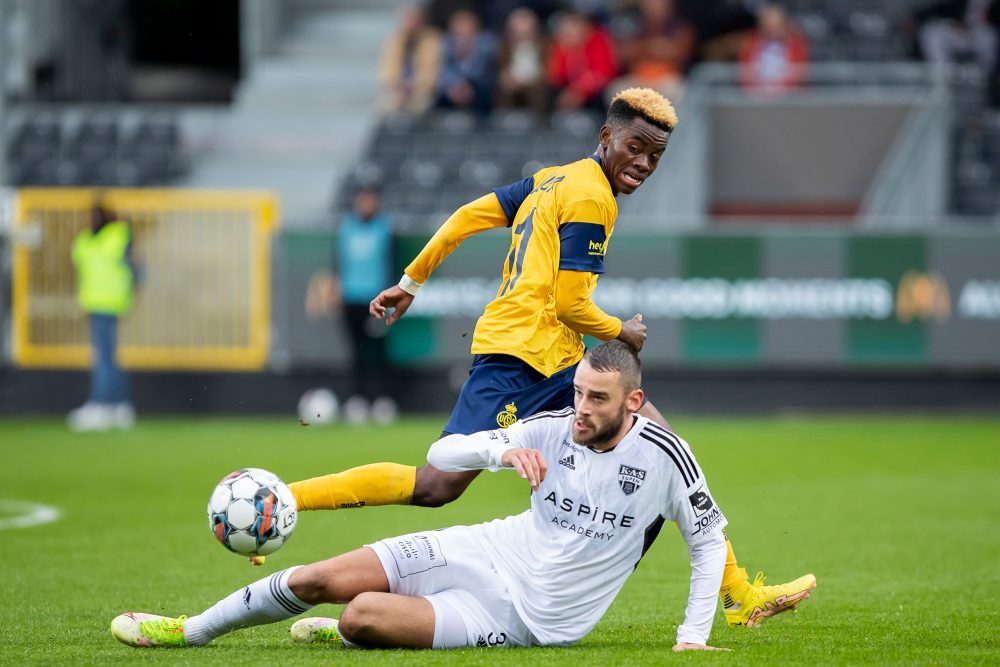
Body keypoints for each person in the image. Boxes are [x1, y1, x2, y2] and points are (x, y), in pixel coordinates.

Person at [288, 87, 815, 628]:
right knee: (437, 485)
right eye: (635, 147)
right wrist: (623, 332)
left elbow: (469, 215)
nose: (643, 163)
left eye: (655, 156)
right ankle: (288, 498)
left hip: (556, 360)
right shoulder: (592, 197)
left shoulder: (551, 179)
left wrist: (411, 280)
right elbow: (570, 302)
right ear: (607, 137)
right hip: (519, 359)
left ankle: (734, 591)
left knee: (665, 446)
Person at [111, 342, 814, 650]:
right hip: (484, 546)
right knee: (323, 577)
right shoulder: (551, 428)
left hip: (525, 615)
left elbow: (707, 538)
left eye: (596, 399)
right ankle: (190, 628)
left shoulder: (665, 456)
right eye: (576, 392)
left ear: (634, 401)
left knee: (358, 618)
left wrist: (693, 638)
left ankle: (350, 631)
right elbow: (441, 456)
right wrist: (498, 447)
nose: (580, 408)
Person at [67, 199, 136, 432]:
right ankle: (119, 405)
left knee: (103, 359)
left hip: (109, 302)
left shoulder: (115, 236)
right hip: (95, 303)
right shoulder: (88, 239)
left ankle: (101, 404)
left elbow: (130, 257)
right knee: (108, 358)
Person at [334, 186, 397, 424]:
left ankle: (381, 400)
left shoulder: (384, 228)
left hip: (376, 299)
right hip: (351, 299)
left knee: (379, 352)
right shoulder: (347, 228)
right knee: (356, 352)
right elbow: (338, 262)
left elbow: (391, 263)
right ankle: (357, 399)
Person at [609, 0, 696, 105]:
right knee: (615, 90)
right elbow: (624, 53)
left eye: (659, 5)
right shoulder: (634, 26)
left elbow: (681, 53)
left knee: (676, 92)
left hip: (668, 79)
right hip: (637, 78)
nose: (654, 9)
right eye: (649, 5)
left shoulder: (680, 28)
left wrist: (642, 49)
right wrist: (654, 47)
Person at [376, 4, 443, 118]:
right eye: (407, 20)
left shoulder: (432, 40)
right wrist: (397, 86)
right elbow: (386, 71)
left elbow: (432, 72)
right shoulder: (394, 40)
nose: (410, 24)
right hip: (398, 90)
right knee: (385, 104)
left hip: (421, 91)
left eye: (412, 20)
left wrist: (413, 86)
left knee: (420, 104)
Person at [547, 10, 619, 112]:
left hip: (595, 90)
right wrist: (568, 51)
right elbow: (556, 76)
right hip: (570, 88)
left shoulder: (599, 41)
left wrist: (579, 90)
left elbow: (605, 72)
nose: (571, 33)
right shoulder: (560, 45)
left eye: (574, 28)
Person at [434, 9, 498, 115]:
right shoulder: (447, 43)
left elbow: (480, 71)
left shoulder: (487, 42)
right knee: (440, 96)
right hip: (453, 88)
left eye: (466, 25)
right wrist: (454, 85)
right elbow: (444, 69)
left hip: (478, 86)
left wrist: (470, 52)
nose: (463, 30)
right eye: (459, 26)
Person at [738, 3, 809, 94]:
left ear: (784, 25)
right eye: (769, 27)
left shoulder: (796, 44)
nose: (773, 31)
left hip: (788, 98)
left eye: (777, 26)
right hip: (755, 98)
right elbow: (744, 72)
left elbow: (799, 74)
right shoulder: (751, 42)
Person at [496, 7, 550, 117]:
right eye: (518, 32)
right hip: (510, 88)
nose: (522, 36)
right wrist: (506, 78)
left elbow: (548, 70)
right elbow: (500, 69)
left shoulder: (545, 47)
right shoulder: (503, 48)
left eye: (526, 32)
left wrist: (533, 80)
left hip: (536, 87)